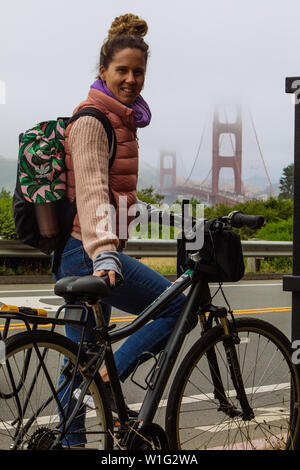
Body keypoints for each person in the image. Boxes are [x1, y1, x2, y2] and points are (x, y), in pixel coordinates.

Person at [54, 13, 186, 446]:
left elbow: (115, 195)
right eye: (122, 71)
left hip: (86, 250)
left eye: (139, 71)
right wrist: (105, 251)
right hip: (87, 250)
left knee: (78, 361)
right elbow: (92, 193)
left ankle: (70, 443)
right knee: (177, 306)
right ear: (103, 71)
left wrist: (172, 218)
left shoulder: (122, 121)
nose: (131, 79)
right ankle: (109, 378)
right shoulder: (94, 120)